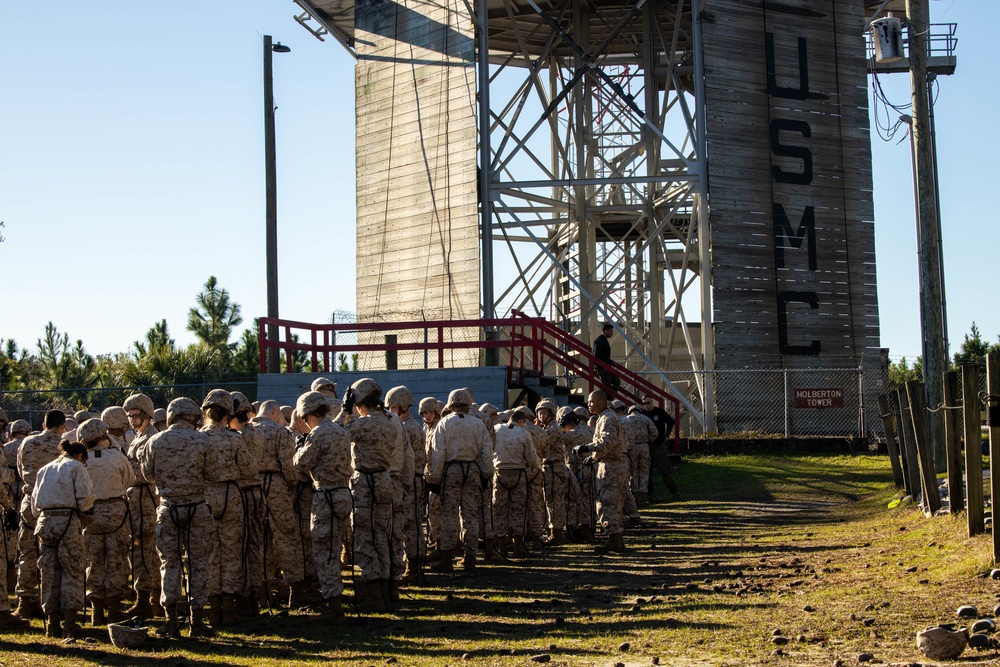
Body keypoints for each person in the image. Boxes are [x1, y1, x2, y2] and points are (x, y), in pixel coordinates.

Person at [139, 397, 214, 639]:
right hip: (196, 508)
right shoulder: (203, 440)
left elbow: (147, 475)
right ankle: (197, 620)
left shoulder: (155, 441)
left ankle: (171, 620)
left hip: (168, 508)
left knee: (169, 564)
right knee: (197, 563)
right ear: (193, 416)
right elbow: (213, 473)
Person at [335, 378, 395, 611]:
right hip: (383, 479)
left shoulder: (365, 423)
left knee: (364, 536)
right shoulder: (389, 421)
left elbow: (337, 433)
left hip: (365, 482)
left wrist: (344, 411)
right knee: (382, 535)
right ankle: (387, 589)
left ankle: (372, 590)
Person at [291, 391, 351, 619]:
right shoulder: (340, 430)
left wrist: (299, 448)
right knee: (334, 548)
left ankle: (332, 602)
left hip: (325, 494)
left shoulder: (318, 433)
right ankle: (335, 595)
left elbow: (302, 463)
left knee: (322, 549)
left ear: (308, 414)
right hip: (343, 492)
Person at [200, 389, 255, 627]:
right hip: (231, 494)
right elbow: (250, 468)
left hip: (206, 497)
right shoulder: (234, 439)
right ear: (228, 413)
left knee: (210, 553)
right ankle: (230, 610)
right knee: (231, 552)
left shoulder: (198, 438)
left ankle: (213, 610)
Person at [425, 389, 493, 573]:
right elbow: (487, 450)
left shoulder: (444, 424)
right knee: (470, 514)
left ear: (451, 404)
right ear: (467, 405)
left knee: (449, 514)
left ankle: (447, 558)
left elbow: (438, 454)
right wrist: (486, 474)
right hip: (472, 469)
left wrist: (434, 479)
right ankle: (470, 558)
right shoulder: (478, 424)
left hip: (451, 470)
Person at [32, 441, 95, 638]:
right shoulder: (76, 467)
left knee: (49, 571)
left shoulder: (44, 469)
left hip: (44, 521)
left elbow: (34, 504)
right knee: (72, 569)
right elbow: (85, 499)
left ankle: (52, 624)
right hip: (67, 520)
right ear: (80, 456)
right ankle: (70, 623)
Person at [77, 418, 134, 625]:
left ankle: (96, 611)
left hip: (90, 513)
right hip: (115, 511)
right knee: (116, 559)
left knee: (93, 561)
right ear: (104, 436)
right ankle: (116, 609)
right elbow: (129, 480)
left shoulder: (81, 461)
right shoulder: (116, 457)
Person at [251, 400, 307, 608]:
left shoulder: (246, 431)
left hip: (254, 486)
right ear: (275, 412)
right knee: (286, 536)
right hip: (275, 484)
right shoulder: (280, 432)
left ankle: (264, 590)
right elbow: (288, 464)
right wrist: (292, 485)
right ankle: (295, 589)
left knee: (260, 538)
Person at [15, 409, 68, 619]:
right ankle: (52, 602)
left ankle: (24, 602)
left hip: (31, 501)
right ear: (62, 427)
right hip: (55, 503)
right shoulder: (64, 447)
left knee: (27, 552)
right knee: (55, 555)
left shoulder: (27, 443)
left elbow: (21, 470)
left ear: (44, 425)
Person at [123, 393, 163, 618]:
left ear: (147, 414)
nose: (132, 419)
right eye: (129, 416)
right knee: (139, 551)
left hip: (147, 501)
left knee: (150, 552)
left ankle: (152, 599)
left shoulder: (151, 438)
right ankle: (144, 598)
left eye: (136, 415)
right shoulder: (138, 437)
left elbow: (149, 472)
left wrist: (127, 469)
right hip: (137, 502)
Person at [574, 390, 628, 552]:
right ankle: (616, 538)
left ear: (601, 402)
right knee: (614, 502)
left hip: (612, 466)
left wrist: (586, 448)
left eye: (591, 402)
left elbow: (607, 442)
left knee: (606, 502)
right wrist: (594, 458)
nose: (589, 405)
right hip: (614, 462)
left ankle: (614, 539)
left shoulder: (607, 419)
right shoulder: (606, 418)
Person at [229, 390, 266, 615]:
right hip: (255, 491)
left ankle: (243, 597)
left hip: (241, 493)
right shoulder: (255, 433)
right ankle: (255, 596)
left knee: (239, 546)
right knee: (254, 545)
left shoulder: (238, 436)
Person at [492, 410, 538, 557]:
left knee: (500, 510)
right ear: (522, 421)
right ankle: (518, 546)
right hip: (518, 474)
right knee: (519, 510)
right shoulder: (523, 433)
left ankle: (502, 547)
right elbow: (531, 458)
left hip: (499, 474)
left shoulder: (496, 429)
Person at [639, 395, 680, 500]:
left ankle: (673, 491)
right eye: (644, 403)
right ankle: (649, 494)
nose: (646, 405)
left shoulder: (659, 412)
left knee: (665, 469)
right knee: (647, 471)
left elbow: (670, 421)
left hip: (659, 445)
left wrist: (666, 435)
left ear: (652, 402)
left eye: (648, 403)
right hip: (648, 446)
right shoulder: (643, 415)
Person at [593, 323, 620, 389]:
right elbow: (597, 355)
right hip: (602, 368)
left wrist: (610, 362)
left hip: (605, 366)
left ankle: (609, 397)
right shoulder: (599, 341)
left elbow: (604, 356)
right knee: (607, 384)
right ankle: (607, 397)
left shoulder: (603, 340)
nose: (612, 333)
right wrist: (603, 365)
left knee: (616, 381)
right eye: (611, 331)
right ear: (605, 330)